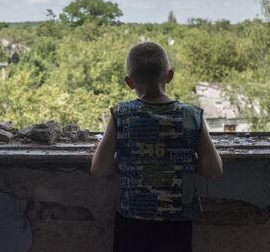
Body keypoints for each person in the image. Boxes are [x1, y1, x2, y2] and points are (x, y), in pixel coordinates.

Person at [91, 41, 223, 252]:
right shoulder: (191, 115)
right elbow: (214, 171)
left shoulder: (121, 115)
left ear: (129, 82)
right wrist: (182, 159)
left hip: (132, 221)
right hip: (176, 222)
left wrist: (129, 158)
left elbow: (99, 169)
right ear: (169, 76)